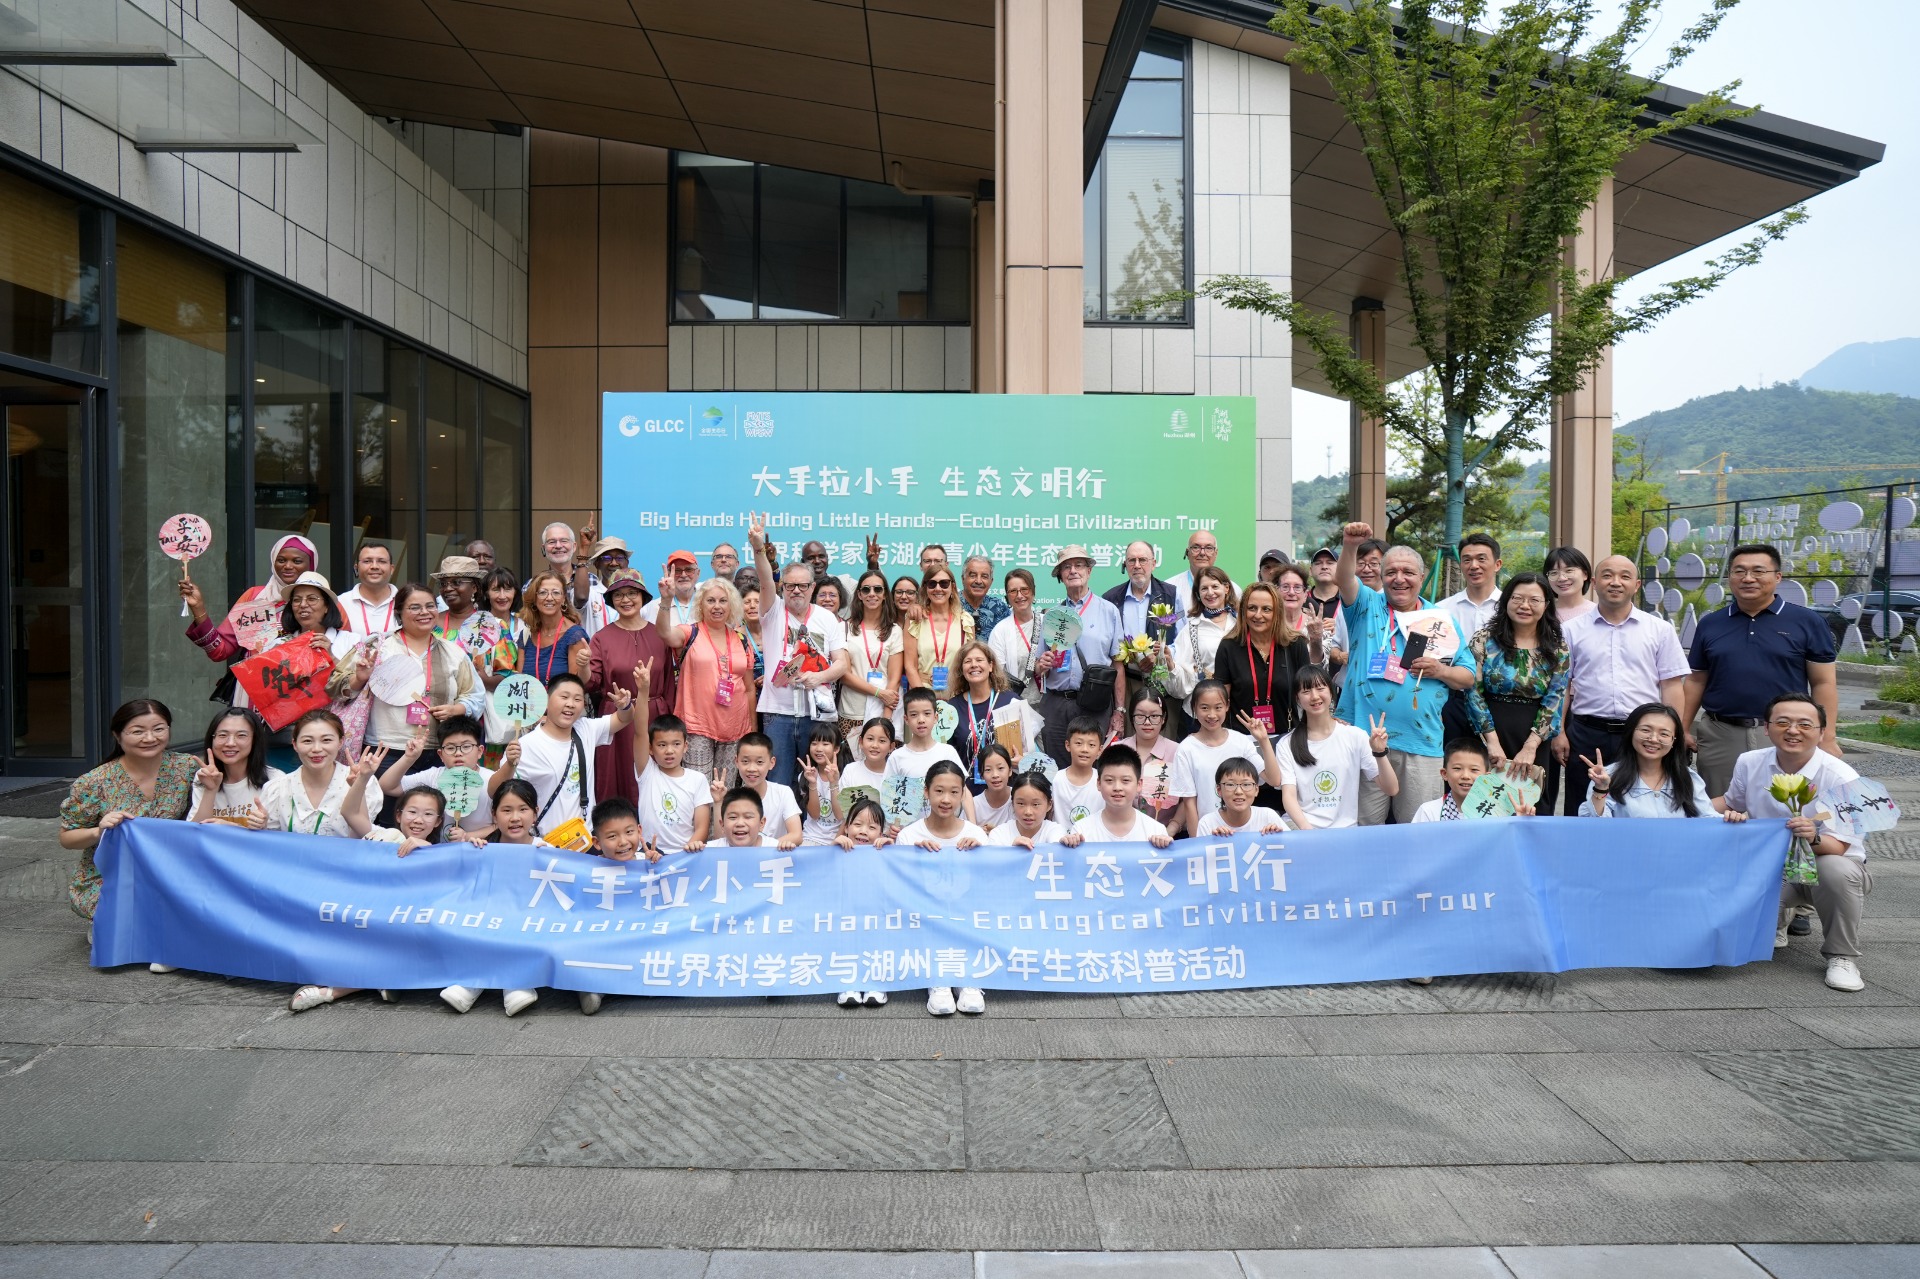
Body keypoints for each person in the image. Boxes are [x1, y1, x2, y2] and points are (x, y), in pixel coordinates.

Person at [1715, 692, 1869, 991]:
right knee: (1725, 937)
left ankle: (1841, 956)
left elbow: (1838, 846)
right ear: (1766, 728)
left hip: (1824, 869)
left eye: (1804, 724)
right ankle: (1776, 919)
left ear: (1821, 732)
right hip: (1769, 868)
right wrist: (1678, 807)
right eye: (1782, 722)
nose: (1793, 730)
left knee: (1837, 870)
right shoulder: (1749, 762)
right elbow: (1729, 803)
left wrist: (1812, 834)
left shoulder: (1843, 777)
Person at [1335, 522, 1478, 825]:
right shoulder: (1365, 605)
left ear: (1422, 577)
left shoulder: (1437, 620)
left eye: (1408, 572)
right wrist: (1349, 545)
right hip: (1366, 740)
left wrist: (1441, 670)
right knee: (1365, 828)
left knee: (1419, 830)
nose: (1399, 579)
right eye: (1391, 572)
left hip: (1421, 742)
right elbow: (1344, 578)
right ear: (1381, 577)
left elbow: (1468, 676)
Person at [1682, 543, 1840, 796]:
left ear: (1778, 577)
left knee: (1785, 809)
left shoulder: (1808, 622)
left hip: (1784, 733)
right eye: (1739, 571)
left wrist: (1827, 735)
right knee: (1719, 810)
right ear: (1730, 577)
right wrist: (1683, 727)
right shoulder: (1711, 624)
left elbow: (1823, 683)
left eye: (1758, 571)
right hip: (1721, 735)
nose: (1748, 578)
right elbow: (1696, 680)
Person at [1551, 555, 1690, 816]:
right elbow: (1561, 685)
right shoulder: (1570, 630)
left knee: (1639, 805)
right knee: (1582, 805)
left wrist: (1675, 734)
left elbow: (1671, 685)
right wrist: (1559, 731)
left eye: (1624, 576)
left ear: (1636, 585)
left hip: (1641, 735)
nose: (1615, 582)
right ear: (1593, 583)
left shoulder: (1659, 630)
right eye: (1607, 576)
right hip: (1586, 732)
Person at [60, 699, 198, 930]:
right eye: (137, 731)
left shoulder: (186, 768)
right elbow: (66, 838)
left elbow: (199, 822)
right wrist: (99, 831)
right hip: (112, 874)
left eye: (159, 729)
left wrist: (212, 787)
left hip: (169, 867)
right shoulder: (94, 782)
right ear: (117, 735)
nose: (150, 738)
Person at [439, 778, 552, 1017]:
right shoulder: (481, 848)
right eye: (506, 810)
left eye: (523, 809)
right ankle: (474, 980)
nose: (515, 818)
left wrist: (550, 862)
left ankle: (514, 982)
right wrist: (474, 854)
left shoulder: (546, 851)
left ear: (535, 814)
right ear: (494, 814)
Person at [330, 583, 485, 755]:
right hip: (384, 749)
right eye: (415, 607)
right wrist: (359, 679)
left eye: (430, 606)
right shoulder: (376, 647)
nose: (424, 612)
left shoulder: (454, 652)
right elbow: (333, 686)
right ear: (399, 613)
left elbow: (475, 695)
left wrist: (457, 709)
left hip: (439, 750)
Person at [750, 516, 848, 789]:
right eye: (790, 585)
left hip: (815, 715)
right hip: (777, 713)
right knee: (778, 781)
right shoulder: (772, 611)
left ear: (812, 588)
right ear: (782, 588)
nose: (796, 590)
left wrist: (819, 677)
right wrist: (759, 548)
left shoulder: (827, 619)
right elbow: (765, 579)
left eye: (803, 586)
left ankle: (812, 832)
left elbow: (842, 663)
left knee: (812, 783)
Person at [488, 668, 642, 840]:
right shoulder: (526, 745)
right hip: (546, 842)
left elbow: (623, 719)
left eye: (578, 699)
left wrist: (625, 706)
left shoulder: (586, 729)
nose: (571, 704)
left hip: (584, 839)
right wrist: (510, 764)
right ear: (547, 700)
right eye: (564, 697)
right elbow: (494, 791)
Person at [1465, 572, 1570, 810]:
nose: (1525, 605)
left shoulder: (1556, 647)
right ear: (1506, 601)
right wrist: (1491, 741)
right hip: (1487, 730)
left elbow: (1555, 698)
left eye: (1534, 600)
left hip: (1534, 736)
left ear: (1546, 605)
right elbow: (1473, 691)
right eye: (1517, 598)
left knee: (1531, 804)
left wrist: (1531, 746)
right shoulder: (1484, 639)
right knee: (1486, 805)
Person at [180, 534, 317, 702]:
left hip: (302, 695)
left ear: (311, 565)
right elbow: (219, 651)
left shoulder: (324, 602)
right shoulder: (256, 597)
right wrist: (198, 608)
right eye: (281, 560)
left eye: (297, 561)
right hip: (252, 696)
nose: (288, 566)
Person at [1212, 582, 1312, 811]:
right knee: (1245, 808)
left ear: (1277, 611)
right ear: (1242, 611)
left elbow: (1308, 693)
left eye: (1266, 609)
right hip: (1242, 743)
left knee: (1286, 810)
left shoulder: (1295, 645)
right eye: (1252, 608)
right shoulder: (1229, 646)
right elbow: (1220, 700)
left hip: (1287, 740)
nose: (1258, 615)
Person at [902, 761, 989, 1018]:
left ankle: (968, 977)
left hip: (965, 916)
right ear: (926, 792)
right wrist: (913, 858)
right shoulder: (909, 836)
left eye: (954, 792)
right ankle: (938, 979)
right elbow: (902, 889)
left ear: (963, 794)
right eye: (939, 791)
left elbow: (987, 887)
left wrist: (981, 855)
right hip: (926, 918)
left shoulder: (977, 835)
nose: (946, 799)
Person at [587, 567, 676, 806]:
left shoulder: (660, 635)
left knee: (656, 780)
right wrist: (582, 666)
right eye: (619, 595)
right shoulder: (601, 638)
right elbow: (591, 682)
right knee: (616, 780)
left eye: (632, 593)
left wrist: (668, 716)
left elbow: (669, 681)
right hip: (617, 718)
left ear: (642, 596)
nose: (625, 600)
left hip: (655, 716)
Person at [1034, 546, 1127, 764]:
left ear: (1089, 571)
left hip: (1095, 704)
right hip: (1056, 704)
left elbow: (1118, 664)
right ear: (1060, 576)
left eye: (1079, 565)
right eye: (1067, 567)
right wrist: (1042, 665)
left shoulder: (1108, 611)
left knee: (1093, 768)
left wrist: (1119, 711)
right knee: (1056, 768)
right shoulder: (1051, 616)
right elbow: (1038, 666)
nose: (1073, 571)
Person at [1278, 666, 1395, 829]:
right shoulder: (1287, 744)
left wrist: (1380, 753)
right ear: (1297, 699)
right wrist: (1310, 833)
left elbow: (1391, 788)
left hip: (1345, 831)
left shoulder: (1355, 736)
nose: (1314, 696)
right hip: (1303, 828)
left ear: (1332, 693)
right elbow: (1289, 796)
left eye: (1320, 689)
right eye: (1306, 691)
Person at [1168, 679, 1283, 837]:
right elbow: (1189, 803)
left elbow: (1274, 780)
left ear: (1227, 706)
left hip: (1243, 832)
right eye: (1204, 708)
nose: (1212, 715)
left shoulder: (1240, 741)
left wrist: (1263, 741)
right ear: (1194, 708)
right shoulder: (1186, 749)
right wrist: (1198, 844)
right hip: (1208, 833)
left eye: (1218, 707)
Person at [674, 577, 756, 783]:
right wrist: (666, 602)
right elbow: (665, 634)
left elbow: (749, 689)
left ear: (732, 606)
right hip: (697, 727)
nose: (717, 606)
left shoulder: (741, 639)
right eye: (711, 600)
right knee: (698, 790)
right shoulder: (690, 632)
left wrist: (752, 731)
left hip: (736, 727)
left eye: (723, 601)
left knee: (725, 790)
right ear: (701, 604)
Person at [1581, 703, 1716, 819]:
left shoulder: (1687, 778)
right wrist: (1601, 789)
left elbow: (1708, 818)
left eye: (1664, 734)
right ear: (1631, 732)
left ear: (1674, 740)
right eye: (1646, 730)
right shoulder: (1608, 776)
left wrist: (1731, 819)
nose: (1653, 739)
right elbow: (1595, 828)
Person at [377, 716, 495, 843]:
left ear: (480, 751)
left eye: (466, 747)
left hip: (479, 849)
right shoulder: (434, 776)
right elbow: (387, 787)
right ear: (440, 755)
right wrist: (409, 758)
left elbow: (504, 824)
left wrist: (467, 836)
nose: (458, 753)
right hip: (436, 851)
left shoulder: (492, 780)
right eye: (450, 748)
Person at [946, 640, 1043, 788]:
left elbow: (1033, 754)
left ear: (991, 666)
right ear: (961, 669)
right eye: (967, 661)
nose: (974, 665)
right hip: (966, 793)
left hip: (1007, 792)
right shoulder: (951, 709)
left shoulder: (1011, 701)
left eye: (979, 660)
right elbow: (946, 756)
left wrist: (1023, 761)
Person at [1437, 533, 1504, 742]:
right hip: (1454, 702)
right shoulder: (1442, 610)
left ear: (1497, 564)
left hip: (1498, 702)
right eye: (1467, 559)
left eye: (1481, 559)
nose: (1473, 565)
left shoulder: (1510, 608)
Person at [885, 687, 972, 826]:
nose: (921, 720)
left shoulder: (947, 752)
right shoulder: (897, 757)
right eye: (914, 715)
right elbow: (890, 798)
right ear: (906, 719)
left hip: (946, 832)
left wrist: (972, 827)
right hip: (911, 834)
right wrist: (892, 827)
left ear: (935, 717)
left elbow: (964, 793)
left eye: (927, 713)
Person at [839, 569, 904, 742]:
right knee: (851, 764)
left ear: (884, 595)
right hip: (852, 710)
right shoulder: (844, 628)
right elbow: (844, 675)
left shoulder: (895, 630)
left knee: (882, 766)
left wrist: (886, 717)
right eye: (866, 590)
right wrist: (878, 693)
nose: (872, 594)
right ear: (859, 594)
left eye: (878, 589)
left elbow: (894, 678)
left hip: (883, 709)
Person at [189, 707, 280, 828]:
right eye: (222, 735)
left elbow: (276, 840)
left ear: (255, 740)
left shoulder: (276, 780)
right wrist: (210, 791)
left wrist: (232, 828)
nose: (230, 743)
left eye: (241, 735)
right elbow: (195, 832)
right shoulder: (205, 776)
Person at [1167, 565, 1237, 717]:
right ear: (1198, 593)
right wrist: (1171, 666)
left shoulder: (1242, 623)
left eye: (1215, 586)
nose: (1210, 593)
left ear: (1226, 588)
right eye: (1204, 588)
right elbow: (1181, 683)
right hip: (1203, 712)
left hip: (1238, 707)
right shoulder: (1192, 628)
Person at [637, 714, 713, 854]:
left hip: (683, 854)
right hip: (648, 852)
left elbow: (702, 828)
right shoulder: (647, 772)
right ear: (650, 749)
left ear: (685, 746)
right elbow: (639, 732)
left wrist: (686, 853)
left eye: (676, 744)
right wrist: (644, 693)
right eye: (662, 745)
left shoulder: (698, 779)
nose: (669, 751)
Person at [1072, 744, 1174, 847]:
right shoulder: (1081, 831)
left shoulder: (1156, 831)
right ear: (1099, 784)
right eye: (1109, 780)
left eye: (1125, 780)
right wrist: (1070, 845)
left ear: (1139, 784)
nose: (1117, 787)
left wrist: (1164, 846)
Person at [903, 563, 974, 701]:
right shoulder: (915, 619)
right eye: (932, 584)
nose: (938, 588)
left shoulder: (965, 620)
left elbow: (970, 663)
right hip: (922, 694)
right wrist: (924, 700)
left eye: (944, 583)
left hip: (957, 696)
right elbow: (910, 666)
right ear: (925, 588)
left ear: (953, 587)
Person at [723, 731, 804, 849]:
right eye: (745, 761)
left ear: (771, 763)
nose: (752, 768)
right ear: (736, 761)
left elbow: (796, 835)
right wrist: (718, 802)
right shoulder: (733, 798)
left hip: (773, 860)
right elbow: (722, 840)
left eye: (759, 762)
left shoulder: (783, 793)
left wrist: (760, 850)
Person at [431, 556, 502, 683]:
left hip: (479, 700)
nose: (447, 588)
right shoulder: (430, 624)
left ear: (474, 587)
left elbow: (506, 675)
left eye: (456, 582)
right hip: (436, 701)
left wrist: (483, 680)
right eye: (443, 584)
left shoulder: (493, 626)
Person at [520, 571, 590, 689]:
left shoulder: (575, 635)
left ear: (563, 599)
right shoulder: (526, 634)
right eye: (542, 593)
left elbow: (578, 684)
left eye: (556, 593)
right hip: (530, 706)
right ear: (534, 598)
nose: (549, 598)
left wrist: (584, 665)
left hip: (562, 706)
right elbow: (520, 681)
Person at [1119, 688, 1179, 822]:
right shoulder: (1117, 750)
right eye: (1140, 716)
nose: (1147, 722)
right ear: (1132, 718)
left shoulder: (1178, 752)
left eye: (1154, 716)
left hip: (1163, 835)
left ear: (1163, 719)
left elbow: (1187, 798)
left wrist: (1171, 830)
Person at [1105, 541, 1181, 644]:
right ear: (1125, 565)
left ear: (1153, 564)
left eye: (1142, 560)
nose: (1137, 565)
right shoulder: (1110, 599)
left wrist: (1165, 653)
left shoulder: (1172, 595)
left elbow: (1182, 639)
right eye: (1131, 560)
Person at [1276, 563, 1343, 676]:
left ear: (1305, 595)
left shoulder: (1318, 626)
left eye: (1297, 587)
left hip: (1307, 689)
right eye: (1285, 587)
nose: (1291, 592)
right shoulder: (1269, 625)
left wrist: (1315, 638)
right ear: (1276, 591)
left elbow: (1320, 669)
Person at [1411, 738, 1500, 823]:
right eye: (1457, 768)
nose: (1465, 776)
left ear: (1487, 778)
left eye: (1474, 770)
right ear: (1444, 774)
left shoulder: (1499, 812)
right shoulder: (1429, 811)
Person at [985, 771, 1080, 849]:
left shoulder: (1055, 830)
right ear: (1013, 803)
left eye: (1035, 804)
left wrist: (1067, 843)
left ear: (1049, 805)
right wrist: (1012, 850)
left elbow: (1056, 845)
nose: (1028, 812)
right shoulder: (999, 834)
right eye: (1021, 803)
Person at [1200, 756, 1288, 836]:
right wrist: (1213, 840)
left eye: (1246, 784)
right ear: (1219, 790)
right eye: (1230, 785)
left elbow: (1291, 847)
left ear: (1256, 790)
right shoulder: (1207, 823)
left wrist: (1278, 837)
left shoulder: (1268, 816)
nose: (1238, 791)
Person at [988, 569, 1042, 695]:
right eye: (1013, 591)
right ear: (1007, 597)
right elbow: (997, 674)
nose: (1019, 595)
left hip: (1048, 703)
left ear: (1033, 591)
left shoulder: (1047, 624)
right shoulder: (1000, 631)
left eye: (1024, 589)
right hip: (1015, 704)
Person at [795, 723, 846, 846]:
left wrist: (834, 783)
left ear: (836, 749)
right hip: (810, 837)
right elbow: (815, 814)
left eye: (825, 744)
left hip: (838, 838)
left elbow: (840, 816)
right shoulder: (805, 775)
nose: (818, 749)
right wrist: (812, 783)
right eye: (814, 743)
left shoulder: (846, 774)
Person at [1051, 715, 1106, 827]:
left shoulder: (1104, 782)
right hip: (1059, 841)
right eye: (1078, 743)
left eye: (1091, 745)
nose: (1084, 749)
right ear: (1068, 745)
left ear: (1100, 750)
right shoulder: (1055, 780)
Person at [1168, 529, 1235, 617]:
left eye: (1209, 548)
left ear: (1216, 553)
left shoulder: (1233, 589)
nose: (1202, 553)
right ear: (1187, 553)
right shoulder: (1170, 588)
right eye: (1196, 547)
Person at [339, 543, 401, 637]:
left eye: (382, 561)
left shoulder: (406, 601)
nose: (374, 566)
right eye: (367, 561)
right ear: (357, 568)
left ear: (392, 569)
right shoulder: (341, 603)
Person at [579, 536, 635, 637]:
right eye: (607, 558)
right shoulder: (590, 594)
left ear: (627, 562)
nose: (614, 563)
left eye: (619, 558)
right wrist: (584, 550)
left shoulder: (637, 596)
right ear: (597, 564)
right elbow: (580, 597)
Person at [644, 550, 702, 639]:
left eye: (689, 570)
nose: (683, 575)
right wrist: (666, 600)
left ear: (698, 573)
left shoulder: (707, 603)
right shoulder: (655, 607)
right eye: (677, 570)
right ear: (668, 573)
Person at [960, 554, 1009, 637]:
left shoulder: (999, 608)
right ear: (963, 579)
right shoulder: (950, 603)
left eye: (984, 576)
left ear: (991, 581)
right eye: (973, 575)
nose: (978, 581)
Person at [1544, 546, 1596, 625]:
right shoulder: (1542, 612)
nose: (1561, 578)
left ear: (1585, 574)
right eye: (1554, 573)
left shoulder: (1597, 613)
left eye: (1569, 571)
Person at [973, 744, 1017, 830]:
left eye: (1000, 768)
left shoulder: (1020, 799)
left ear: (1010, 770)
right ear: (981, 775)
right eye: (988, 770)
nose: (995, 775)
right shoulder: (974, 805)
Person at [1305, 547, 1342, 621]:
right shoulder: (1302, 601)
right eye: (1318, 563)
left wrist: (1339, 626)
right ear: (1310, 571)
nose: (1324, 567)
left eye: (1330, 563)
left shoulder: (1348, 600)